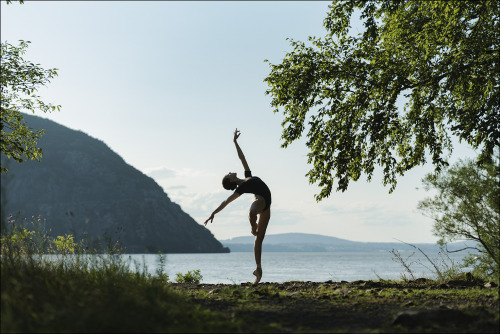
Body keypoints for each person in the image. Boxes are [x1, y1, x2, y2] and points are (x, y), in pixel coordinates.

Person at [204, 128, 272, 285]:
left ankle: (258, 270)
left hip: (267, 206)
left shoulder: (247, 177)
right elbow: (226, 202)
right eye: (228, 175)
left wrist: (235, 142)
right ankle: (253, 227)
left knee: (259, 240)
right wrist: (213, 213)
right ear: (231, 181)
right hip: (261, 200)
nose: (229, 172)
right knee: (252, 210)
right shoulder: (241, 188)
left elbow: (242, 158)